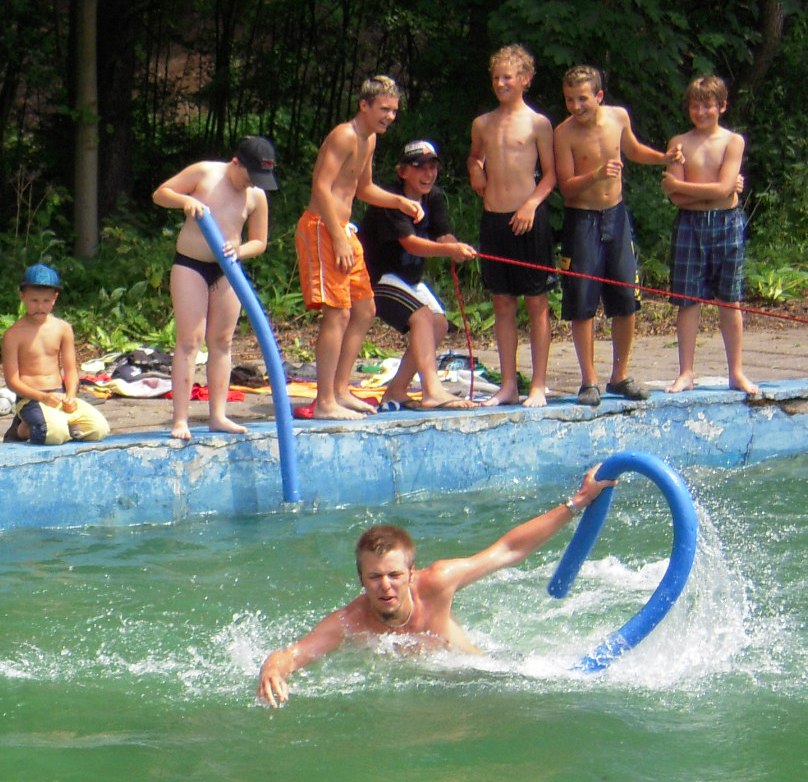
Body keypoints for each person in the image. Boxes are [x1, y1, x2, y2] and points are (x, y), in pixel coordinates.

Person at [257, 462, 615, 707]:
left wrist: (578, 501)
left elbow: (508, 550)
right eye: (375, 577)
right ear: (361, 580)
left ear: (411, 574)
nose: (385, 586)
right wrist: (272, 669)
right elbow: (293, 654)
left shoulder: (437, 582)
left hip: (482, 678)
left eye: (395, 575)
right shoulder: (351, 621)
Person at [554, 65, 685, 407]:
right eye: (569, 99)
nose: (576, 106)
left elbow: (634, 149)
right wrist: (595, 174)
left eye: (582, 99)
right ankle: (589, 380)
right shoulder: (564, 133)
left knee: (626, 297)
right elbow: (566, 187)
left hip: (616, 216)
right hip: (582, 219)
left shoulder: (618, 117)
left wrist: (663, 158)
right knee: (582, 301)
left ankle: (620, 376)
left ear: (599, 96)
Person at [296, 75, 424, 420]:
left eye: (394, 111)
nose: (390, 117)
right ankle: (324, 401)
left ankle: (340, 390)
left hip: (342, 229)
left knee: (365, 309)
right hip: (322, 227)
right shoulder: (345, 135)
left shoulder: (369, 140)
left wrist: (400, 201)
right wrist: (337, 236)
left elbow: (364, 188)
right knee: (337, 312)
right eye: (384, 109)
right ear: (364, 105)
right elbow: (321, 187)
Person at [152, 135, 274, 440]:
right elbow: (160, 194)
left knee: (222, 341)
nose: (251, 184)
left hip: (228, 269)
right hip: (191, 265)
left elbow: (260, 242)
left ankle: (218, 415)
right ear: (236, 162)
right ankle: (180, 419)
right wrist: (185, 200)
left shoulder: (256, 195)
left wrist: (240, 251)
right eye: (249, 176)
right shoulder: (206, 172)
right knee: (189, 341)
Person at [467, 44, 557, 408]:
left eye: (507, 77)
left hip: (528, 218)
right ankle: (508, 384)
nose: (501, 84)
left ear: (525, 79)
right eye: (495, 78)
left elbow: (551, 175)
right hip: (494, 218)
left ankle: (538, 384)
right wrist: (475, 169)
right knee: (502, 303)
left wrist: (531, 205)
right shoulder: (483, 123)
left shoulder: (537, 123)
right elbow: (475, 156)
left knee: (536, 303)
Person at [359, 140, 478, 410]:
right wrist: (449, 250)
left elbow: (443, 234)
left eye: (432, 167)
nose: (428, 174)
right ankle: (432, 391)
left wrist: (457, 247)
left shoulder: (433, 197)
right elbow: (411, 244)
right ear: (402, 172)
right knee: (422, 317)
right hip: (377, 279)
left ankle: (396, 390)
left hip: (408, 279)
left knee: (439, 323)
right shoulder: (391, 199)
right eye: (420, 168)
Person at [661, 75, 759, 396]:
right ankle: (685, 372)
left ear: (722, 106)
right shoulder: (679, 142)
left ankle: (736, 372)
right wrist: (713, 190)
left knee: (730, 299)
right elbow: (676, 198)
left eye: (707, 106)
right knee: (688, 300)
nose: (701, 112)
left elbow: (721, 189)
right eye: (695, 106)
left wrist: (682, 186)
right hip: (689, 225)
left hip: (727, 223)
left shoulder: (732, 141)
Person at [2, 264, 110, 445]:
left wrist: (71, 395)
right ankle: (22, 429)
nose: (40, 306)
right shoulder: (13, 334)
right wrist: (42, 397)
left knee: (98, 429)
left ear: (55, 298)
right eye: (34, 300)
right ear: (22, 297)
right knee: (55, 434)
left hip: (59, 395)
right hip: (31, 399)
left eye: (46, 301)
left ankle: (53, 423)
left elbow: (71, 370)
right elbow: (12, 381)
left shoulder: (63, 329)